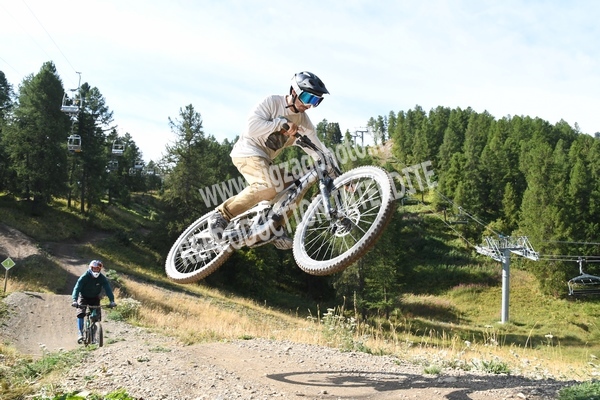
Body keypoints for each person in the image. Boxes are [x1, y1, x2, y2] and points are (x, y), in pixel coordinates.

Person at [209, 71, 339, 249]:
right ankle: (222, 215)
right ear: (294, 92)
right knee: (268, 187)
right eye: (307, 97)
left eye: (315, 101)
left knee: (298, 185)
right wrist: (280, 123)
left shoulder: (304, 123)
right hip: (247, 151)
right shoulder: (272, 102)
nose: (309, 105)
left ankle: (275, 227)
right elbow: (251, 128)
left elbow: (320, 152)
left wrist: (340, 177)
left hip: (266, 161)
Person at [71, 260, 116, 341]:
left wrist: (112, 301)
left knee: (96, 317)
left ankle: (94, 335)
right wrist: (74, 300)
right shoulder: (84, 277)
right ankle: (80, 333)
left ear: (100, 269)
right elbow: (77, 288)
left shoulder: (102, 278)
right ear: (90, 268)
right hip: (83, 297)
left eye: (97, 269)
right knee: (80, 313)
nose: (96, 270)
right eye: (94, 268)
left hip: (95, 298)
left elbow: (108, 289)